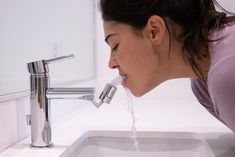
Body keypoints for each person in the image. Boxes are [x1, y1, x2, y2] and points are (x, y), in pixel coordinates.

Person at [99, 0, 235, 133]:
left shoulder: (226, 76)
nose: (111, 64)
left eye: (115, 45)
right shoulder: (202, 85)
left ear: (155, 31)